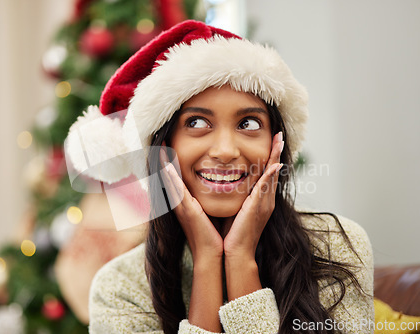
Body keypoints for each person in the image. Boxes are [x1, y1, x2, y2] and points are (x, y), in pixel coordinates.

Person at [66, 20, 374, 334]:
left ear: (277, 142)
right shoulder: (120, 287)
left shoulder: (337, 246)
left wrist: (240, 259)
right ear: (161, 149)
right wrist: (206, 262)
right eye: (197, 123)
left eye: (249, 124)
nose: (225, 151)